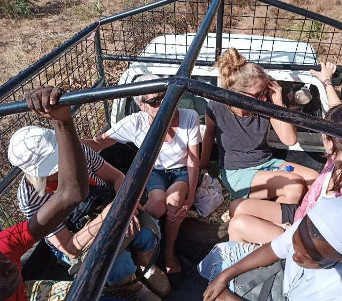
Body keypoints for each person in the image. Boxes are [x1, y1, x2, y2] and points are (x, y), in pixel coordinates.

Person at [8, 88, 164, 300]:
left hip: (104, 207)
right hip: (78, 231)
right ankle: (135, 286)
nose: (63, 167)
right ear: (36, 174)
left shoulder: (78, 152)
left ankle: (147, 266)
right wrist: (109, 217)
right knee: (115, 264)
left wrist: (125, 207)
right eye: (53, 168)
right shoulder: (30, 197)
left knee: (146, 232)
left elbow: (118, 178)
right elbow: (70, 247)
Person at [227, 62, 342, 244]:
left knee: (238, 224)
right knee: (236, 207)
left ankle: (260, 259)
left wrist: (289, 233)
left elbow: (326, 245)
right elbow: (340, 114)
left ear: (330, 144)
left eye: (326, 133)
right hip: (304, 215)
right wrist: (326, 82)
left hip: (306, 242)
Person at [83, 74, 201, 281]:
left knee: (173, 201)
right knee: (156, 205)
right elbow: (98, 142)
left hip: (181, 171)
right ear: (141, 106)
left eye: (167, 96)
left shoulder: (189, 116)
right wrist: (63, 143)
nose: (165, 104)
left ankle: (168, 252)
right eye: (155, 101)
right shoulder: (135, 124)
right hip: (155, 171)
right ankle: (147, 248)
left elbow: (192, 160)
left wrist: (190, 195)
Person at [199, 197, 342, 301]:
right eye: (294, 245)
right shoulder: (311, 228)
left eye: (308, 258)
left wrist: (229, 298)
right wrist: (225, 275)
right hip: (281, 285)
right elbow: (275, 249)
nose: (294, 257)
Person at [0, 86, 89, 301]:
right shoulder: (28, 196)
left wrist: (62, 120)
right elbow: (69, 247)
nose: (8, 268)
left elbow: (71, 193)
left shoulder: (5, 246)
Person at [200, 48, 318, 207]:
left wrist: (278, 105)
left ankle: (278, 218)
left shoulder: (265, 106)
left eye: (265, 92)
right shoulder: (216, 107)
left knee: (315, 180)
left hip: (267, 164)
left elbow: (289, 139)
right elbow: (208, 136)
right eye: (257, 94)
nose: (263, 98)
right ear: (237, 93)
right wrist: (202, 166)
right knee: (294, 186)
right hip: (238, 172)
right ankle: (277, 226)